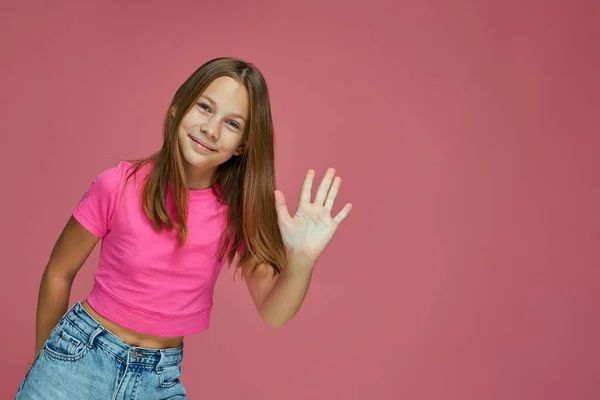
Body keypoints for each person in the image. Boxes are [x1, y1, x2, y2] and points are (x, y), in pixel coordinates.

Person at [15, 57, 352, 399]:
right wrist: (47, 361)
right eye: (204, 107)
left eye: (232, 124)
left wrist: (303, 260)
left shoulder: (239, 215)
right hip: (79, 357)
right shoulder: (116, 185)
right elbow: (59, 271)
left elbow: (274, 312)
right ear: (178, 106)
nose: (211, 129)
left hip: (158, 377)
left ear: (244, 145)